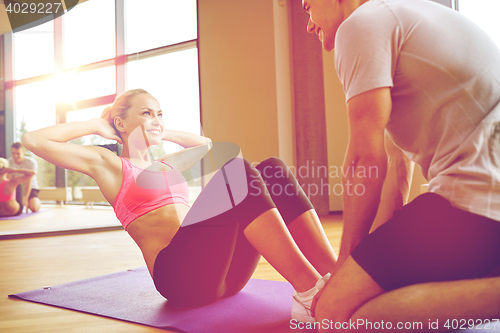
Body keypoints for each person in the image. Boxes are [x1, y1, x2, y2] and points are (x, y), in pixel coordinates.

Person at [22, 89, 338, 320]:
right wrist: (95, 124)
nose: (155, 119)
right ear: (120, 121)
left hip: (223, 275)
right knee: (237, 171)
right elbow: (34, 141)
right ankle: (310, 291)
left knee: (270, 168)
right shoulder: (110, 165)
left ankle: (336, 279)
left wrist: (159, 130)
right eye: (146, 113)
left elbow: (209, 147)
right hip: (181, 280)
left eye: (160, 113)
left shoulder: (168, 164)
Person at [301, 0, 500, 330]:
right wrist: (361, 267)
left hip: (477, 202)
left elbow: (364, 159)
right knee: (365, 300)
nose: (308, 24)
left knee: (334, 316)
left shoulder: (361, 24)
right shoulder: (405, 18)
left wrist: (343, 266)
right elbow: (395, 170)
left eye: (307, 7)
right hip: (484, 204)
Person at [8, 142, 41, 213]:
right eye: (13, 153)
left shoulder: (31, 162)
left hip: (31, 188)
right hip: (16, 188)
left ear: (23, 152)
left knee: (34, 207)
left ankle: (32, 201)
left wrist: (25, 198)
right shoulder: (9, 162)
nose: (15, 156)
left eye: (18, 153)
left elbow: (28, 182)